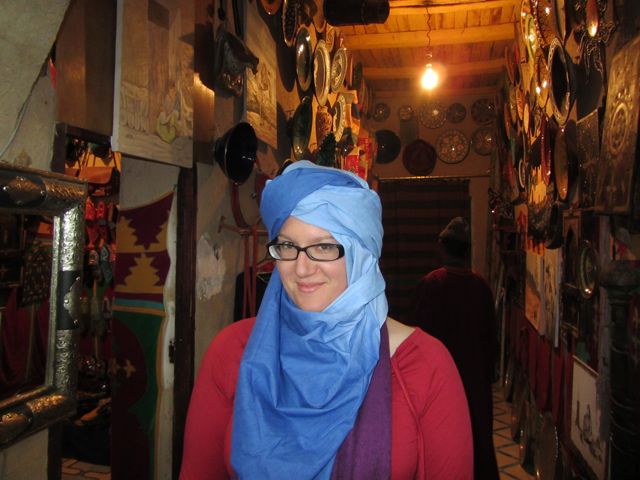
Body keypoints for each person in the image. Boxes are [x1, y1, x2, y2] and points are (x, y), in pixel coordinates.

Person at [180, 161, 473, 479]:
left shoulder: (423, 365)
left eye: (323, 246)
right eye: (288, 245)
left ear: (362, 254)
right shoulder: (233, 352)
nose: (302, 268)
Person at [409, 216, 499, 480]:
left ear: (442, 247)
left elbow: (420, 338)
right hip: (475, 380)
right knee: (478, 437)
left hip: (441, 381)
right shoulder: (481, 286)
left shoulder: (431, 284)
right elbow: (491, 336)